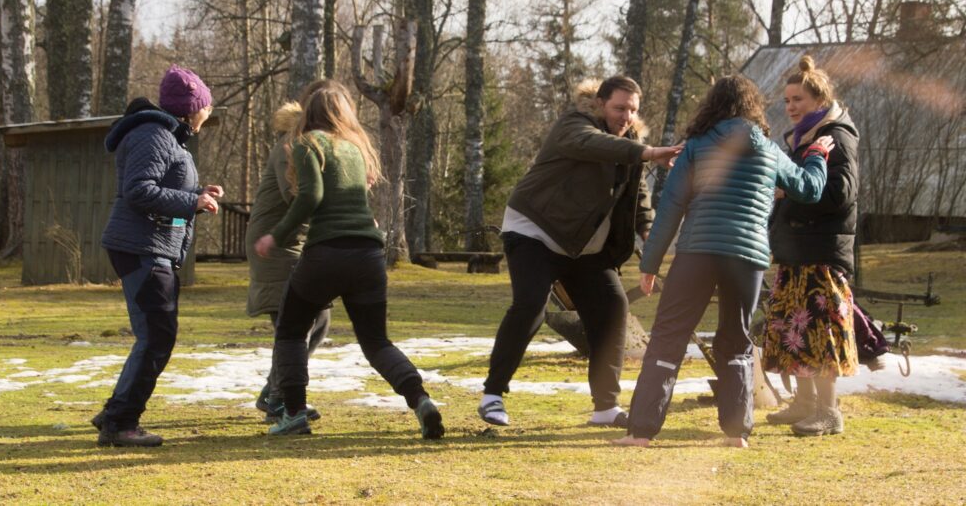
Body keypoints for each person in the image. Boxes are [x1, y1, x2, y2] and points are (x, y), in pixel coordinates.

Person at [611, 75, 833, 449]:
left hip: (698, 251)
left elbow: (671, 207)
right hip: (747, 259)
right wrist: (817, 155)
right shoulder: (767, 149)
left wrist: (650, 264)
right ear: (752, 107)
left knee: (668, 336)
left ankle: (641, 431)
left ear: (712, 105)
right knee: (737, 340)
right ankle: (736, 432)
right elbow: (810, 189)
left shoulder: (697, 146)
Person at [478, 76, 682, 429]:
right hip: (535, 229)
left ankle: (605, 408)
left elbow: (638, 203)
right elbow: (593, 144)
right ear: (600, 104)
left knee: (613, 307)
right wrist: (647, 153)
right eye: (619, 108)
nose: (626, 116)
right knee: (531, 304)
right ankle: (492, 395)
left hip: (584, 246)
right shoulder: (574, 126)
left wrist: (649, 233)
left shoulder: (631, 144)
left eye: (632, 110)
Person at [254, 80, 444, 439]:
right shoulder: (356, 149)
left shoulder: (307, 144)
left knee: (292, 330)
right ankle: (420, 400)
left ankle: (293, 413)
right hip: (368, 254)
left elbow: (310, 197)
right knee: (376, 342)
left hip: (326, 253)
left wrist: (275, 236)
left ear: (308, 112)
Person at [94, 65, 223, 447]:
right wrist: (191, 201)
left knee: (155, 335)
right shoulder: (155, 134)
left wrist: (198, 193)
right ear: (191, 108)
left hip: (149, 247)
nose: (208, 112)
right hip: (143, 247)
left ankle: (114, 413)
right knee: (156, 336)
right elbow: (138, 189)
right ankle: (120, 423)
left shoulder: (167, 137)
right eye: (206, 106)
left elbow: (159, 184)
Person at [764, 55, 860, 436]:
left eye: (798, 100)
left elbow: (839, 193)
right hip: (797, 251)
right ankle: (804, 403)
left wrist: (788, 192)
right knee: (795, 331)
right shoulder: (803, 137)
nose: (790, 107)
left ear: (819, 101)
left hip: (821, 252)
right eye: (787, 101)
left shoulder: (834, 135)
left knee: (822, 333)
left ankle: (829, 411)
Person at [245, 102, 331, 423]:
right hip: (275, 246)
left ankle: (274, 391)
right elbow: (297, 196)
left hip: (289, 244)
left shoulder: (301, 147)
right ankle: (280, 399)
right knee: (297, 322)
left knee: (317, 320)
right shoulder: (290, 148)